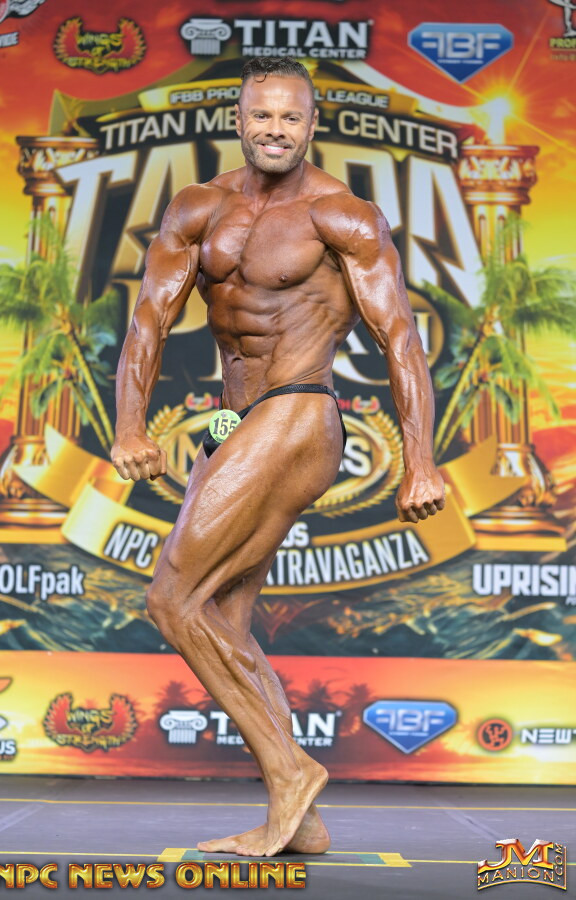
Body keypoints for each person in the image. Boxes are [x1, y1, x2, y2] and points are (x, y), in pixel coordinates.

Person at [111, 57, 445, 858]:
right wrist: (130, 425)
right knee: (221, 618)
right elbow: (149, 318)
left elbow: (400, 336)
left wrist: (420, 460)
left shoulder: (342, 216)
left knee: (171, 599)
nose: (275, 130)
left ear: (311, 125)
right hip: (238, 417)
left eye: (290, 117)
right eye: (262, 115)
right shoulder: (198, 208)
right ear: (238, 120)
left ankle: (293, 772)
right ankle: (300, 818)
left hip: (299, 409)